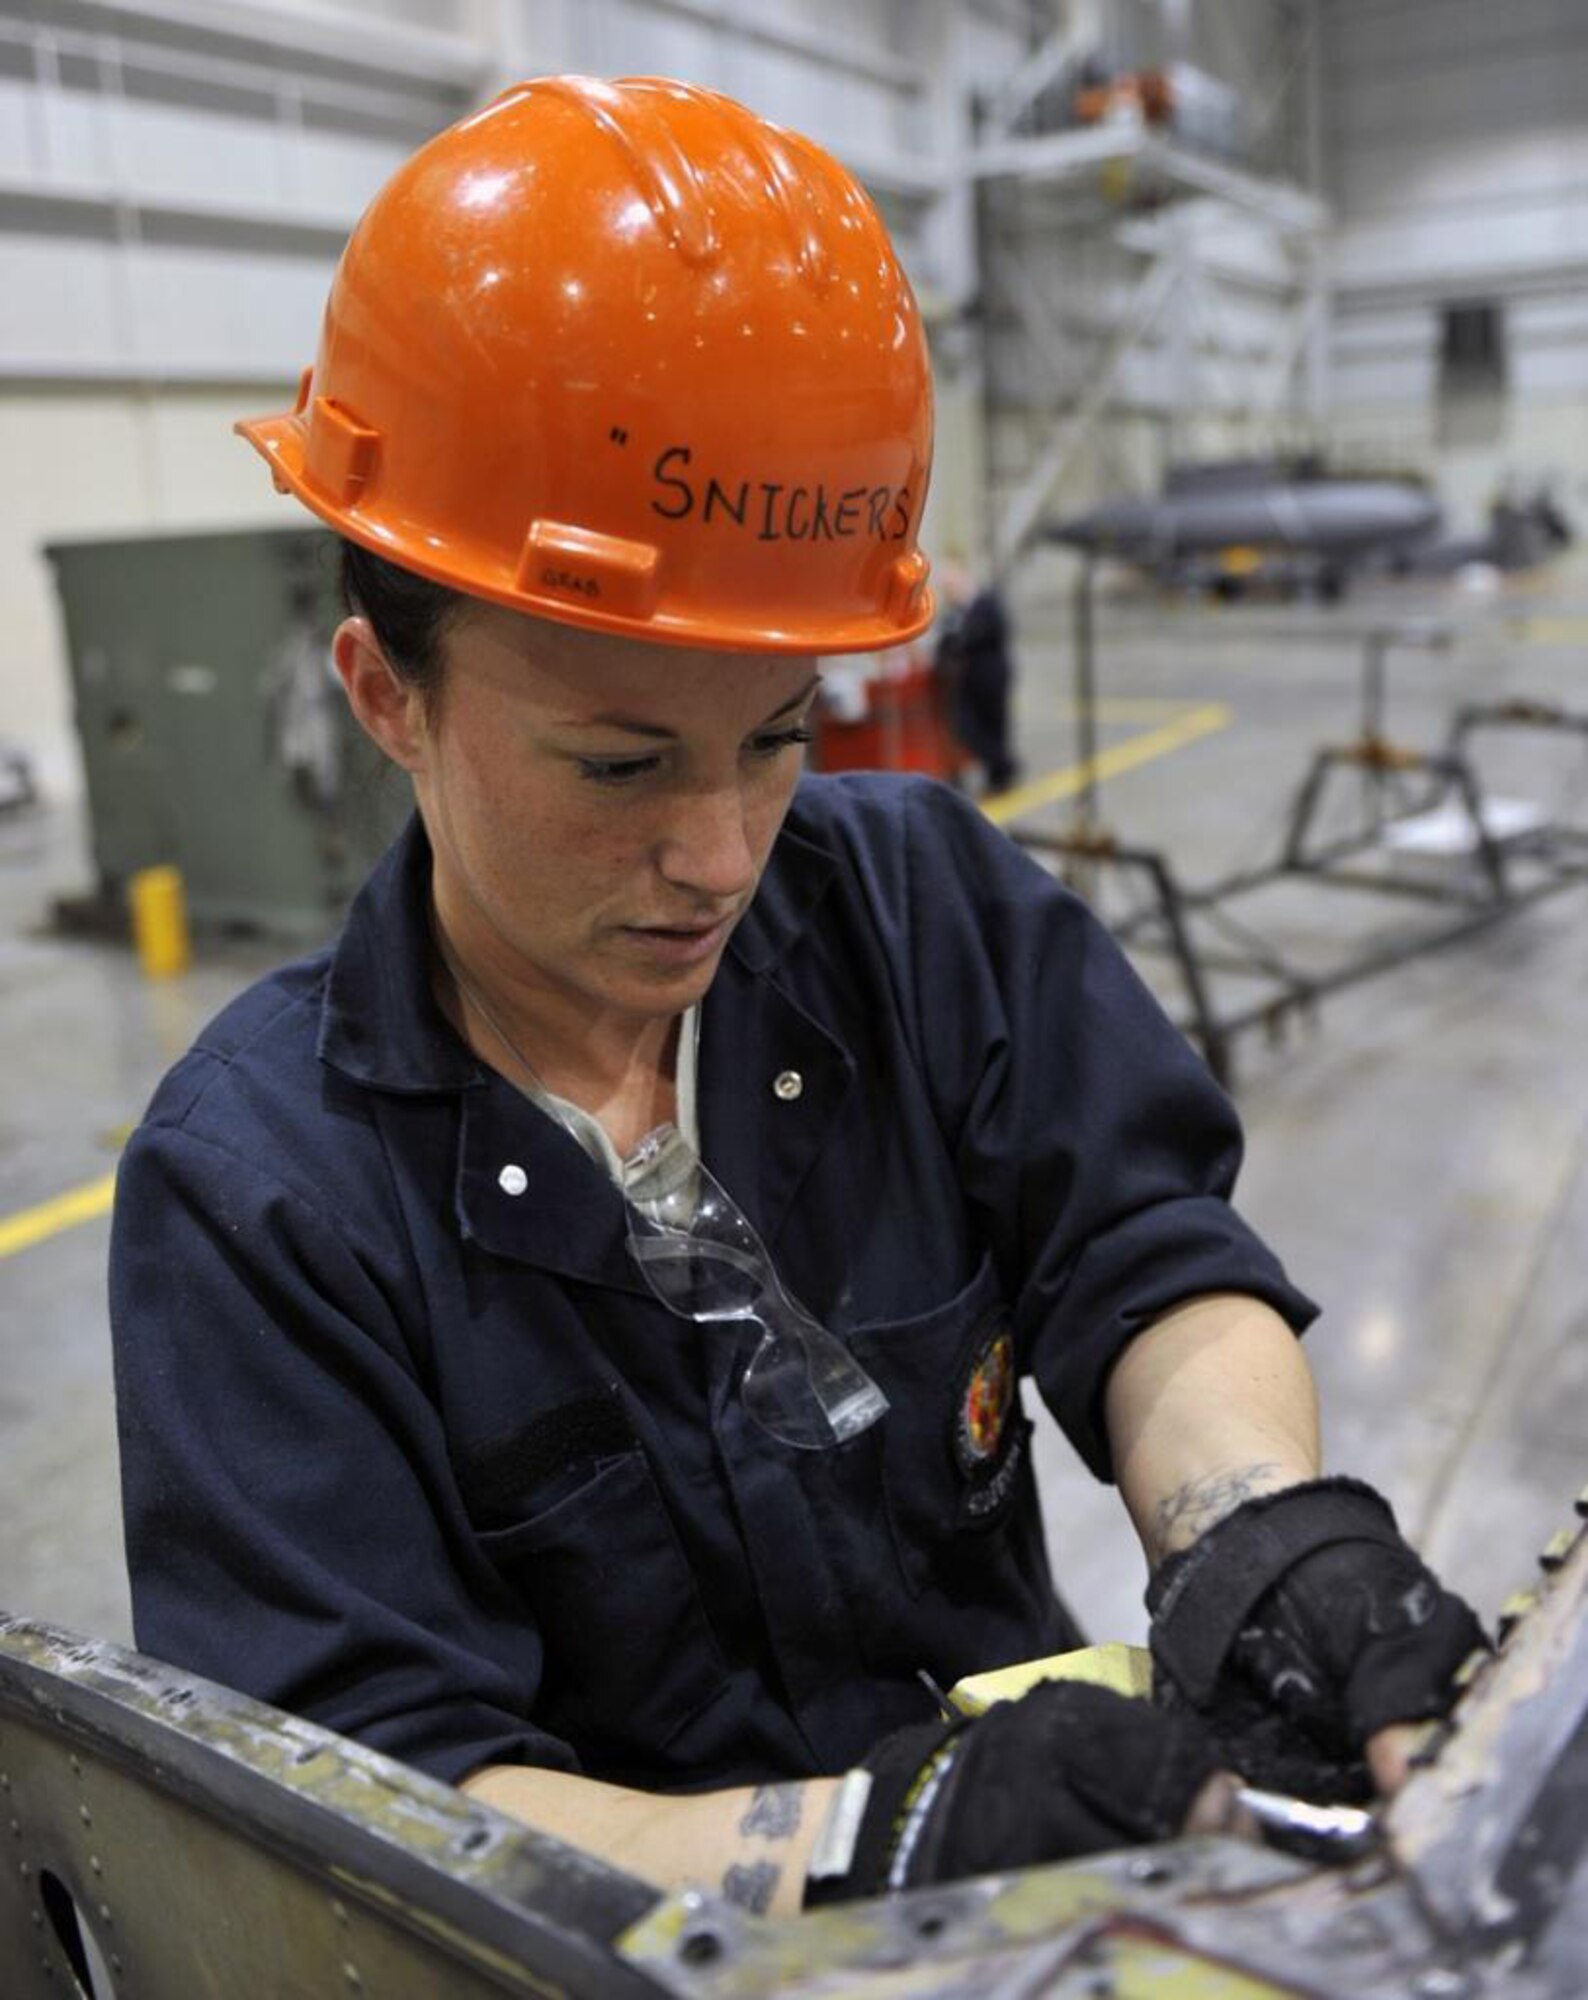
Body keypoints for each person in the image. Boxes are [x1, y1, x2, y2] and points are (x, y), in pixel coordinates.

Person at [110, 75, 1483, 1919]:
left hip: (1054, 1864)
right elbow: (381, 1802)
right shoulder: (263, 1193)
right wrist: (868, 1842)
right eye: (616, 767)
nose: (719, 852)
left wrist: (1256, 1539)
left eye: (773, 738)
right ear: (385, 693)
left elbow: (1138, 1256)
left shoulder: (916, 906)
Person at [933, 552, 1019, 793]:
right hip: (967, 681)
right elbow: (944, 646)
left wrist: (962, 640)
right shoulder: (953, 614)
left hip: (991, 677)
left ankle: (1000, 773)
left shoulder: (985, 602)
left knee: (995, 726)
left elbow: (995, 631)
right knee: (966, 727)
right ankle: (1003, 764)